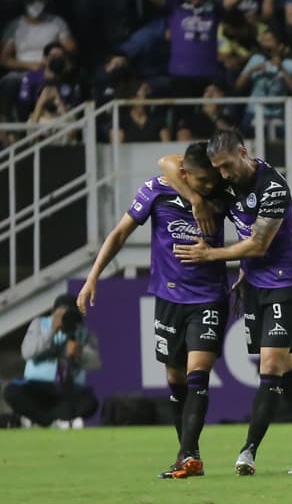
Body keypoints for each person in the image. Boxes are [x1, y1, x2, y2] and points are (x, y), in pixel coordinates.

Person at [165, 130, 292, 476]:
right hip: (254, 289)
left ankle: (248, 451)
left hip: (286, 286)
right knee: (287, 370)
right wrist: (197, 200)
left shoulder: (273, 187)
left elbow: (259, 245)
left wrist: (211, 254)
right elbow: (168, 164)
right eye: (219, 169)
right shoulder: (225, 180)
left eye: (228, 166)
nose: (224, 175)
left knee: (272, 366)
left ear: (243, 153)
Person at [77, 143, 227, 478]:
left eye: (212, 179)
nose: (209, 185)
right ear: (185, 175)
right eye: (202, 181)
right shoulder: (156, 191)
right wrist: (92, 276)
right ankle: (187, 452)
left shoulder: (224, 192)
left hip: (209, 296)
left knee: (198, 373)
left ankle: (189, 457)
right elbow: (119, 233)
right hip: (168, 298)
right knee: (175, 378)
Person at [3, 295, 101, 430]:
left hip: (66, 388)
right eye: (61, 314)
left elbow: (95, 362)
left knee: (90, 402)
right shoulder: (40, 324)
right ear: (53, 312)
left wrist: (79, 355)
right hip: (36, 385)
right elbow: (27, 353)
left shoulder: (82, 332)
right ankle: (51, 420)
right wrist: (51, 331)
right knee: (11, 392)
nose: (64, 318)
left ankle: (40, 420)